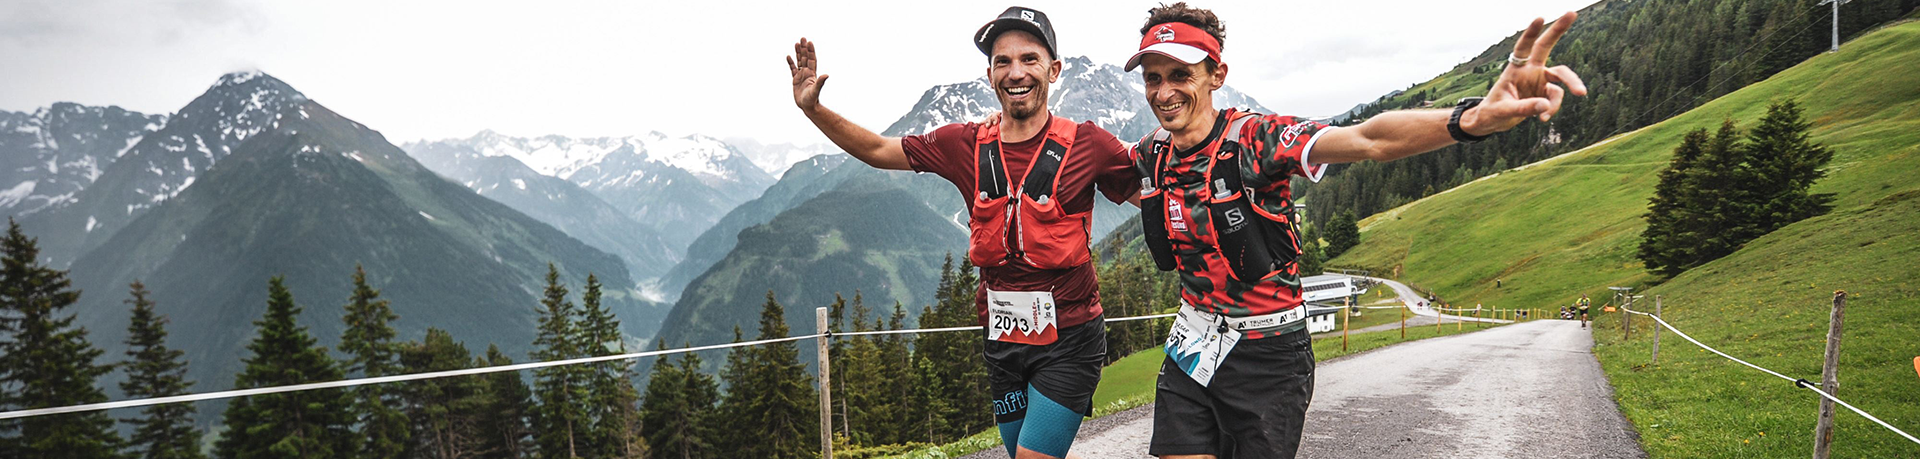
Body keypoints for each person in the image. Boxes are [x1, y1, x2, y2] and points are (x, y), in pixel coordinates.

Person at [1121, 4, 1586, 458]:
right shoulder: (1152, 154)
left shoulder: (1256, 139)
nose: (1164, 92)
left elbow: (1369, 139)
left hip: (1268, 354)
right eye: (1152, 78)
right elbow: (1098, 159)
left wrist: (1471, 120)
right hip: (1191, 344)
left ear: (1216, 75)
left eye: (1180, 75)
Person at [787, 7, 1138, 459]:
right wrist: (813, 109)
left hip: (1070, 340)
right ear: (990, 75)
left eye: (1029, 59)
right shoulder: (965, 144)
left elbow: (1156, 200)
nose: (1016, 72)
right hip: (1002, 341)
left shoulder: (1090, 145)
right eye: (1002, 61)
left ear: (1053, 70)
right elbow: (877, 149)